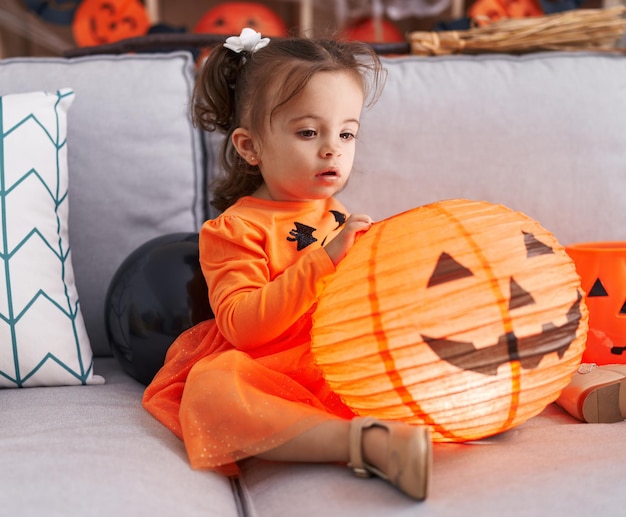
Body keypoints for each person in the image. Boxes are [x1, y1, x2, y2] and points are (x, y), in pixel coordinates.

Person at [142, 28, 432, 501]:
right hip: (270, 367)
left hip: (340, 354)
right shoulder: (234, 230)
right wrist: (323, 259)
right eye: (308, 132)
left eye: (346, 133)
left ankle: (566, 384)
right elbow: (241, 326)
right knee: (211, 389)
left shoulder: (338, 214)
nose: (331, 149)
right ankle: (366, 442)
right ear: (250, 146)